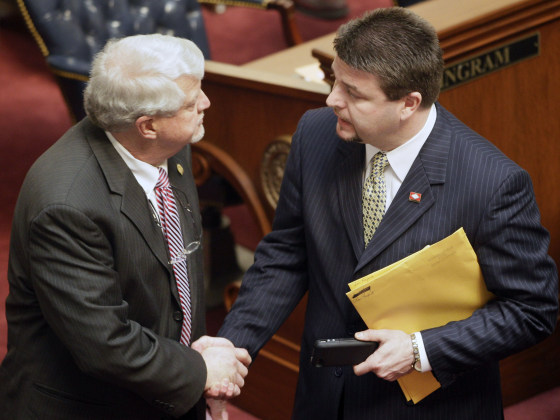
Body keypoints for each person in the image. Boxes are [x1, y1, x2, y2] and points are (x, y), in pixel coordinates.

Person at [218, 7, 559, 419]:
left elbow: (532, 309)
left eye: (354, 94)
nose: (332, 101)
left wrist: (420, 349)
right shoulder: (314, 134)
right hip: (326, 399)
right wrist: (231, 345)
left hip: (431, 407)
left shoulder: (492, 183)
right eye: (334, 82)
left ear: (408, 103)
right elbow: (287, 253)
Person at [0, 34, 250, 420]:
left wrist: (195, 375)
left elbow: (176, 268)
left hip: (158, 388)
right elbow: (106, 344)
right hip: (90, 405)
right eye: (191, 101)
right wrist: (200, 372)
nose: (206, 104)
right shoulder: (66, 206)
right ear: (147, 125)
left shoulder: (167, 144)